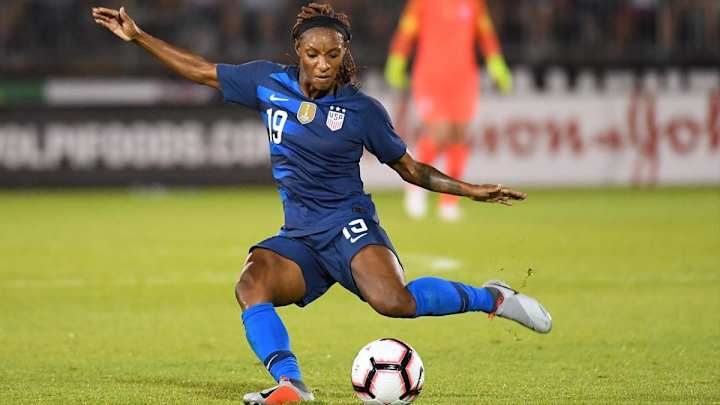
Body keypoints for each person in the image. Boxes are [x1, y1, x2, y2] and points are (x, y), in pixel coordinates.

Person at [92, 3, 551, 404]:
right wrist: (139, 37)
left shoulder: (362, 112)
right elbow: (201, 70)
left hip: (348, 225)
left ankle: (492, 297)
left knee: (394, 302)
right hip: (300, 237)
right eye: (313, 54)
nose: (323, 64)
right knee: (251, 284)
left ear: (344, 53)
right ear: (298, 51)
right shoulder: (267, 83)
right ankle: (290, 383)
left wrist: (471, 190)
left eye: (333, 54)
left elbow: (411, 169)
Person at [385, 0, 513, 222]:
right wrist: (397, 60)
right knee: (439, 133)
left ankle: (449, 202)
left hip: (464, 78)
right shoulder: (421, 3)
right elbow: (405, 32)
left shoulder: (474, 3)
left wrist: (496, 63)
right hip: (430, 76)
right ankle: (416, 186)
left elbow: (485, 34)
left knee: (460, 136)